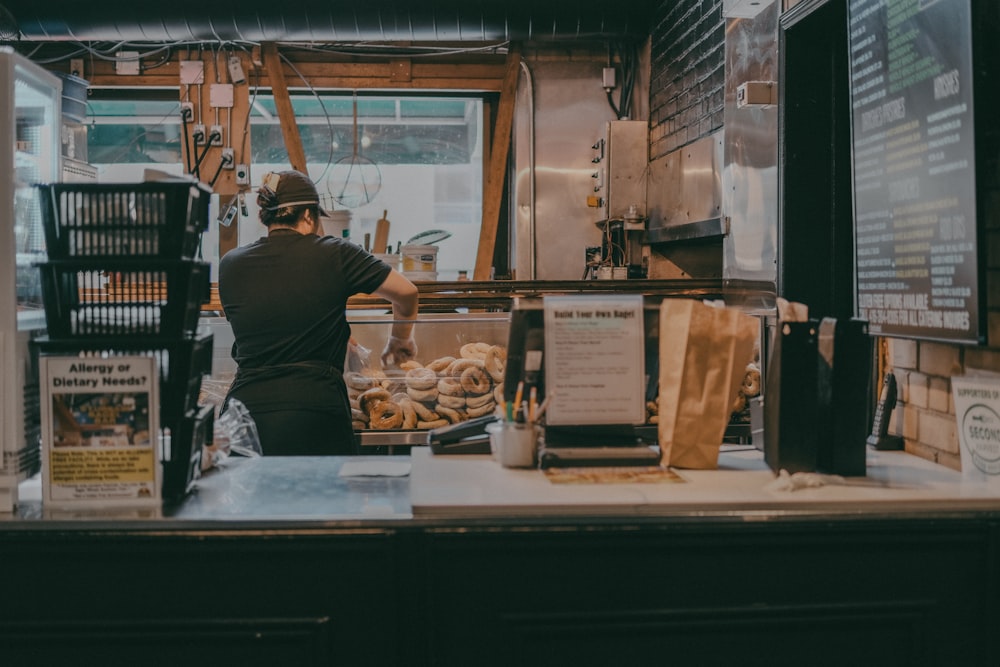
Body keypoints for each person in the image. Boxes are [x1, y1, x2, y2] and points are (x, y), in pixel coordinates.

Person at [218, 170, 418, 455]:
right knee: (323, 499)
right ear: (310, 216)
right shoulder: (335, 253)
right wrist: (399, 341)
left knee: (254, 499)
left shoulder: (230, 264)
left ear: (267, 216)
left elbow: (273, 315)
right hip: (316, 412)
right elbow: (407, 293)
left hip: (247, 413)